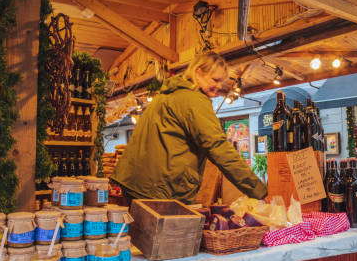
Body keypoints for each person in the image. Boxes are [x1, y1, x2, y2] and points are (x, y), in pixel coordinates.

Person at [111, 52, 267, 205]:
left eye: (222, 81)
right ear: (198, 73)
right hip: (159, 189)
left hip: (137, 183)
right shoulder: (194, 100)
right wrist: (259, 191)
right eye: (215, 79)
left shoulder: (168, 95)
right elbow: (218, 147)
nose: (219, 86)